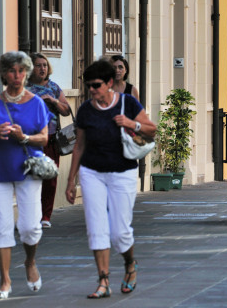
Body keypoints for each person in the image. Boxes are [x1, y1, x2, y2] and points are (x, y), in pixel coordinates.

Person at [65, 59, 156, 298]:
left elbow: (151, 129)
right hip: (92, 172)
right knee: (96, 228)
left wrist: (131, 123)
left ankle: (129, 264)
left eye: (96, 85)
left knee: (120, 231)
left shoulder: (127, 102)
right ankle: (103, 281)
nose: (92, 90)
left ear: (108, 83)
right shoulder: (85, 109)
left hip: (122, 172)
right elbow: (79, 146)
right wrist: (70, 181)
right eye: (88, 86)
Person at [0, 51, 51, 299]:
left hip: (28, 169)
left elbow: (44, 138)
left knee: (30, 226)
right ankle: (5, 279)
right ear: (3, 74)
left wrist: (24, 137)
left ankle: (30, 262)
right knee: (1, 226)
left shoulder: (36, 102)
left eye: (21, 71)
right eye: (11, 71)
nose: (17, 76)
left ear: (26, 73)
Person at [26, 53, 71, 229]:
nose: (42, 68)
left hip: (51, 138)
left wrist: (52, 100)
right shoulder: (25, 88)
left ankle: (45, 215)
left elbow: (67, 110)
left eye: (44, 65)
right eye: (38, 65)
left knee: (49, 178)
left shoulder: (53, 87)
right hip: (30, 140)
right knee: (30, 178)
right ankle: (30, 215)